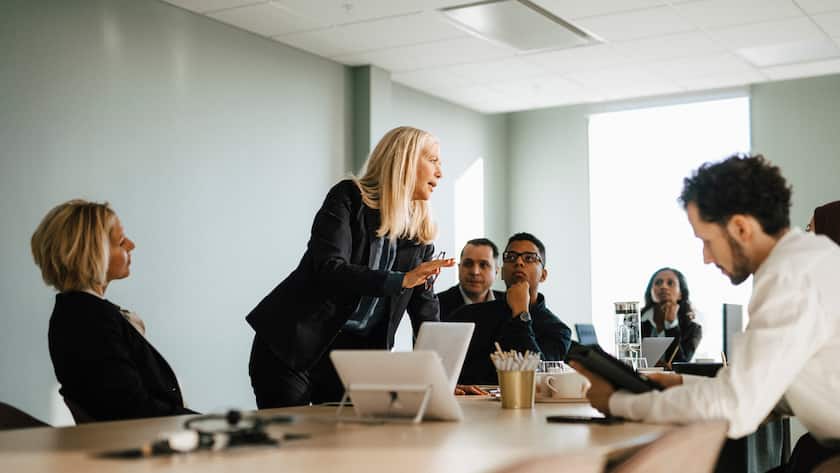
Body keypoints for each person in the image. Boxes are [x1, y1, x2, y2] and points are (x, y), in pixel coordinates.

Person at [571, 155, 840, 473]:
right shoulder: (814, 260)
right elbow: (776, 392)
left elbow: (734, 407)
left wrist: (617, 402)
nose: (706, 257)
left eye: (707, 241)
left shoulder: (788, 278)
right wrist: (680, 382)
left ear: (740, 228)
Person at [246, 126, 456, 408]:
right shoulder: (347, 196)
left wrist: (442, 378)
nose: (440, 173)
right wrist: (400, 280)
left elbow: (424, 308)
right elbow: (329, 267)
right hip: (291, 345)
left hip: (351, 359)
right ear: (405, 159)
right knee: (294, 434)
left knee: (350, 435)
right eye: (433, 160)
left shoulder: (419, 233)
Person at [31, 200, 195, 421]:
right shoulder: (89, 321)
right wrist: (202, 423)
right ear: (92, 253)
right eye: (120, 242)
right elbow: (133, 408)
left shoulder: (80, 313)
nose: (131, 245)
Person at [450, 232, 572, 385]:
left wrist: (521, 313)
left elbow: (536, 377)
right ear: (501, 272)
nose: (519, 262)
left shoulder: (557, 330)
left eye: (529, 258)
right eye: (511, 257)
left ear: (543, 275)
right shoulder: (469, 316)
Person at [640, 267, 702, 364]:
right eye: (658, 283)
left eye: (670, 283)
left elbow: (680, 364)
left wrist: (671, 325)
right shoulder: (635, 323)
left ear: (680, 294)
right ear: (650, 291)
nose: (663, 286)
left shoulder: (692, 329)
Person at [437, 238, 504, 321]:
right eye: (468, 264)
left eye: (483, 265)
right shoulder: (436, 306)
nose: (475, 272)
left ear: (496, 271)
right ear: (459, 268)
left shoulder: (508, 304)